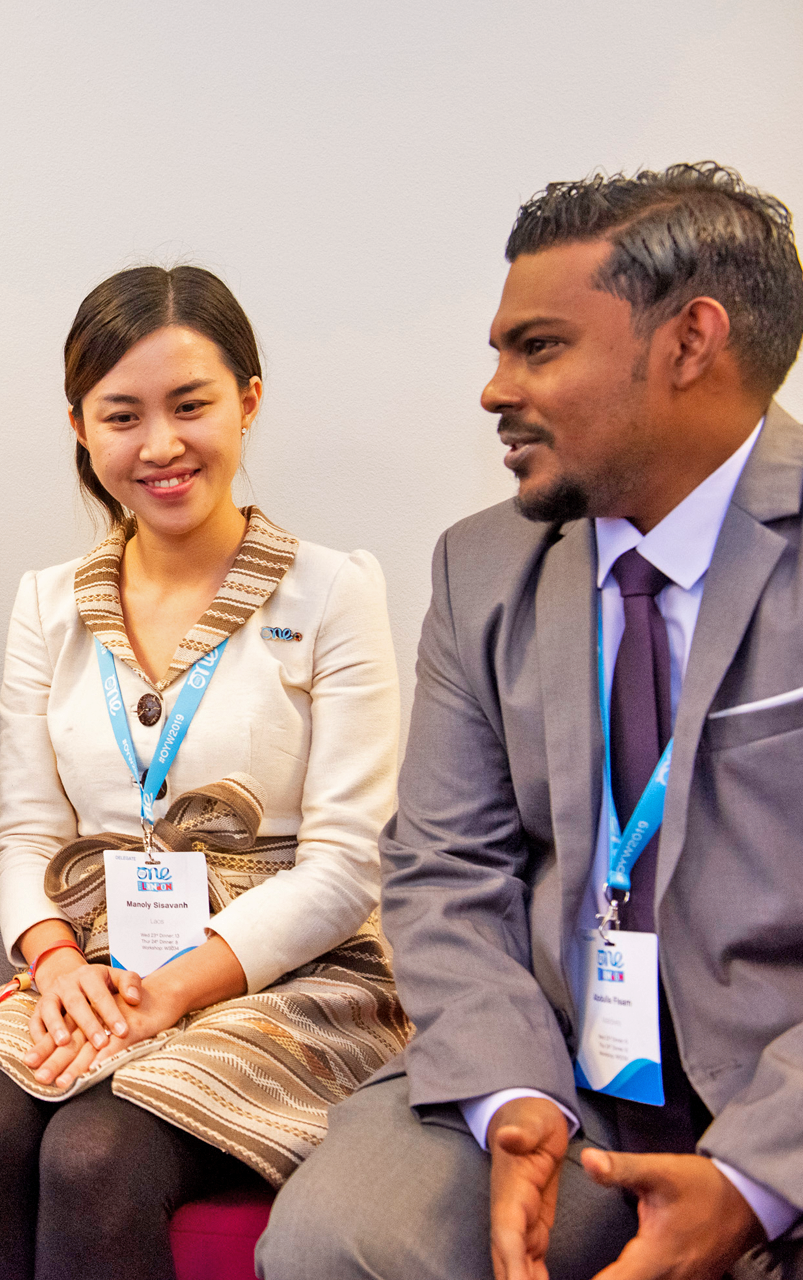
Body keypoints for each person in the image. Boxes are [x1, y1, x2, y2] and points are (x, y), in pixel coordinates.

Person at [259, 163, 803, 1280]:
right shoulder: (484, 562)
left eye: (539, 346)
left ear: (690, 342)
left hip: (781, 1081)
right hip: (562, 1067)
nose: (494, 388)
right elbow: (445, 864)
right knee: (340, 1240)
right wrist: (513, 1095)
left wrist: (758, 1177)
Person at [0, 266, 406, 1280]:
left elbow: (347, 868)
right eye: (122, 414)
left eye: (192, 405)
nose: (160, 445)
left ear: (249, 401)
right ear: (81, 426)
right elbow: (27, 833)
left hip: (290, 974)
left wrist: (171, 988)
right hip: (92, 957)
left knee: (94, 1149)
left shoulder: (333, 590)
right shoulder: (49, 603)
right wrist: (60, 964)